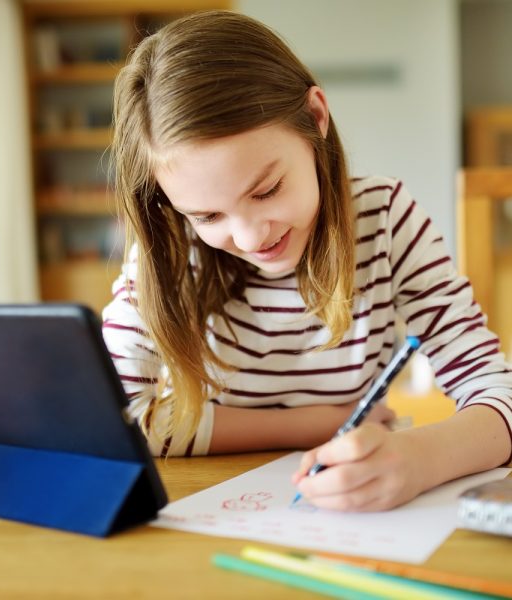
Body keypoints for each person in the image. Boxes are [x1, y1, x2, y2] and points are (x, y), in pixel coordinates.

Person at [103, 10, 512, 512]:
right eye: (208, 215)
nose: (251, 237)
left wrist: (420, 459)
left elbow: (496, 391)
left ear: (316, 116)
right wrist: (328, 420)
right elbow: (119, 422)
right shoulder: (166, 249)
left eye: (267, 190)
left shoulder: (385, 220)